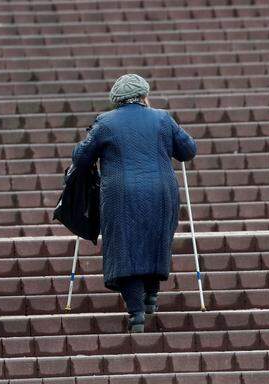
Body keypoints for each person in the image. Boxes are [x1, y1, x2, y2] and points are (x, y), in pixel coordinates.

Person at [72, 74, 197, 332]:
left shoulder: (105, 122)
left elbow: (82, 158)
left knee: (124, 246)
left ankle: (136, 312)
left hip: (121, 194)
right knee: (155, 239)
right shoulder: (162, 118)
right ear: (144, 96)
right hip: (161, 192)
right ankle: (151, 294)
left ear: (116, 101)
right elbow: (188, 151)